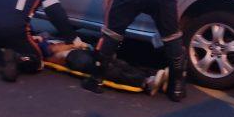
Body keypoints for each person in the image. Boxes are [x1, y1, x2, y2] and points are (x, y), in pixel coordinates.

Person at [82, 0, 186, 102]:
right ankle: (177, 89)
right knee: (172, 38)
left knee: (112, 34)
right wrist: (173, 28)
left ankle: (96, 80)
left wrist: (108, 27)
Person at [40, 37, 168, 96]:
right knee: (107, 69)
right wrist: (73, 44)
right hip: (71, 57)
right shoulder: (40, 44)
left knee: (118, 63)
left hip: (80, 52)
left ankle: (153, 75)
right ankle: (145, 82)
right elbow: (51, 51)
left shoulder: (43, 37)